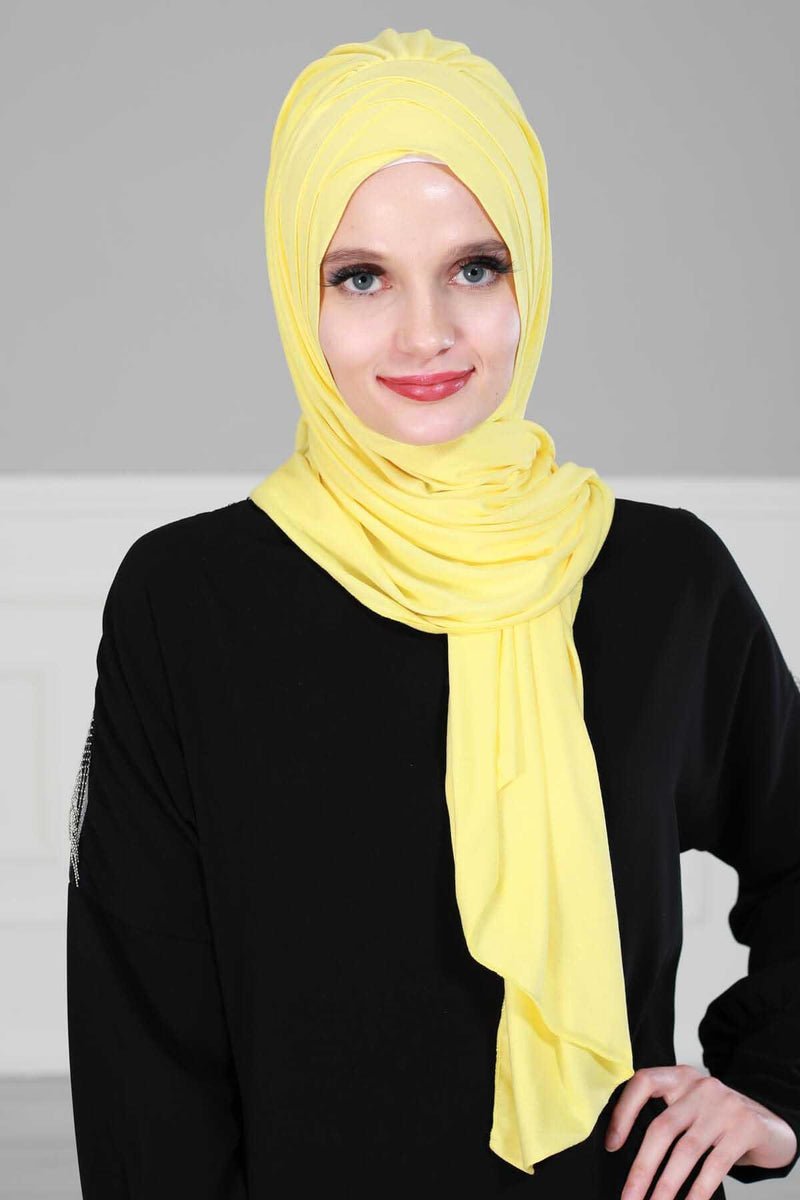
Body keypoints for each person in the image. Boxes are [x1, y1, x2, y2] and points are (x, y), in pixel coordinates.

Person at [66, 27, 800, 1199]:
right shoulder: (186, 601)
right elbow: (142, 1043)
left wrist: (773, 1084)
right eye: (360, 277)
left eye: (475, 268)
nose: (425, 333)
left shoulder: (662, 580)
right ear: (295, 286)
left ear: (530, 276)